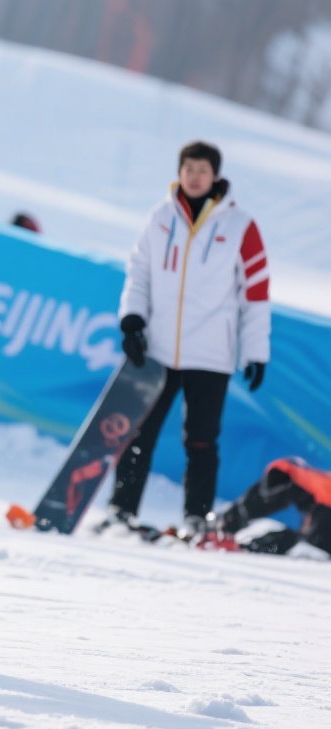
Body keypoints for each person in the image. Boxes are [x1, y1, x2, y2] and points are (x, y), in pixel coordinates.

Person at [109, 140, 271, 536]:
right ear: (179, 172)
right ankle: (121, 511)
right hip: (159, 349)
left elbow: (256, 293)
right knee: (139, 433)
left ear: (215, 176)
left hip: (211, 353)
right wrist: (132, 320)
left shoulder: (240, 226)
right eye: (188, 169)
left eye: (202, 170)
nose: (194, 177)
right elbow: (139, 272)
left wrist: (255, 351)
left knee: (200, 441)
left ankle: (195, 519)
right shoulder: (160, 216)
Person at [209, 457, 330, 559]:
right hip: (315, 497)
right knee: (304, 540)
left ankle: (235, 533)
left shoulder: (303, 477)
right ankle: (230, 525)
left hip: (321, 502)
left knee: (301, 541)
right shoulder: (311, 480)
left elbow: (278, 475)